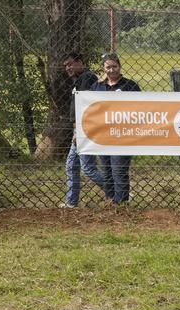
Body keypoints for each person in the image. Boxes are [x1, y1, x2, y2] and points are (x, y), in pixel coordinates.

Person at [90, 52, 140, 205]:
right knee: (106, 171)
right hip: (103, 135)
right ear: (103, 68)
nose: (111, 70)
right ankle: (109, 200)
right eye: (108, 67)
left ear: (119, 66)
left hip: (123, 135)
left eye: (114, 67)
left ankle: (121, 203)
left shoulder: (130, 86)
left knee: (119, 170)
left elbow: (140, 108)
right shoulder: (97, 86)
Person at [62, 52, 106, 208]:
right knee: (72, 165)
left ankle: (117, 191)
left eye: (70, 64)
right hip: (80, 128)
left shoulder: (87, 78)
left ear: (80, 62)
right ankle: (71, 201)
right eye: (65, 65)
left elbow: (86, 107)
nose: (68, 68)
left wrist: (78, 130)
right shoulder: (78, 81)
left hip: (85, 129)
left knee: (87, 168)